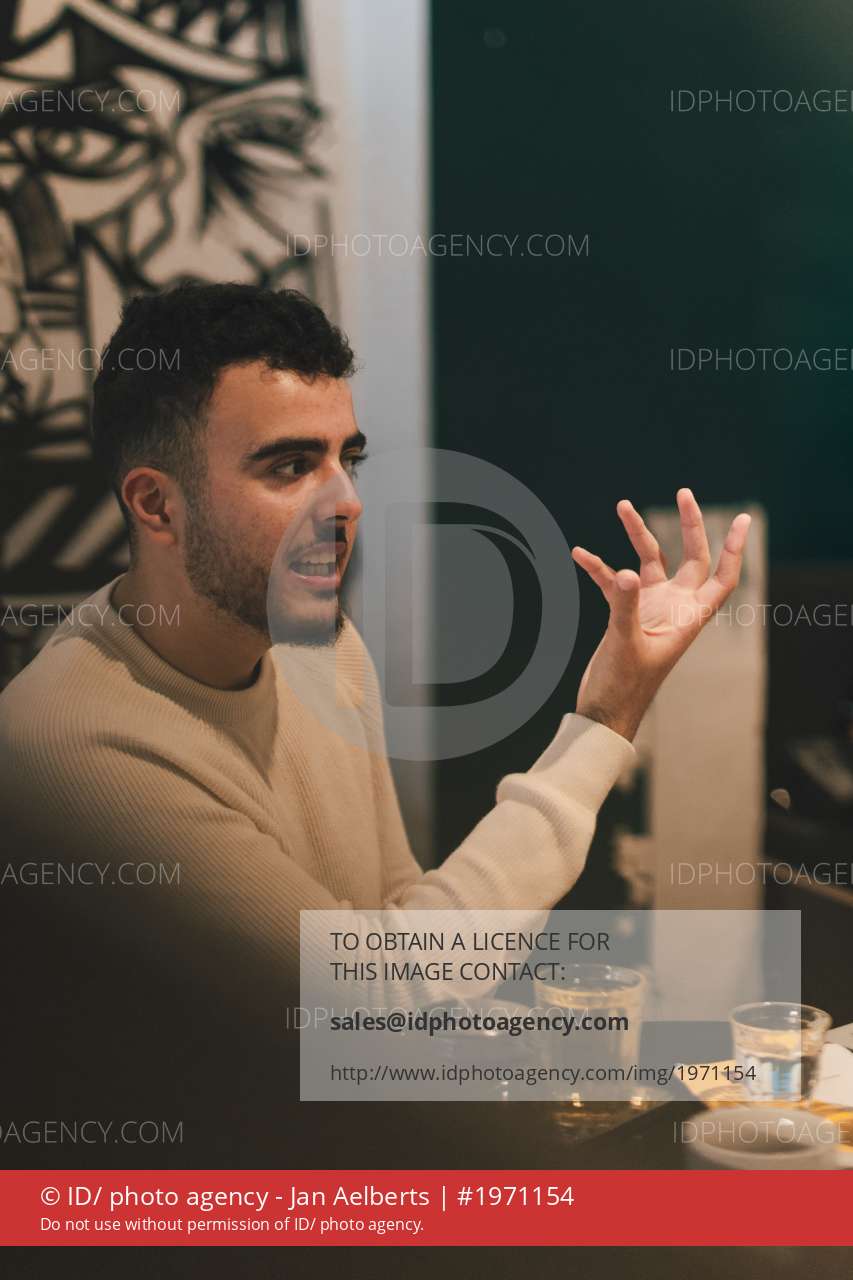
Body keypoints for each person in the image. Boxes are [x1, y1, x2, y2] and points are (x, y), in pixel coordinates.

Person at [0, 282, 750, 1162]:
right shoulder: (71, 741)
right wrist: (605, 719)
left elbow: (395, 914)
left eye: (345, 458)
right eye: (289, 466)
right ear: (156, 505)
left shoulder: (318, 647)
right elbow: (380, 995)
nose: (345, 500)